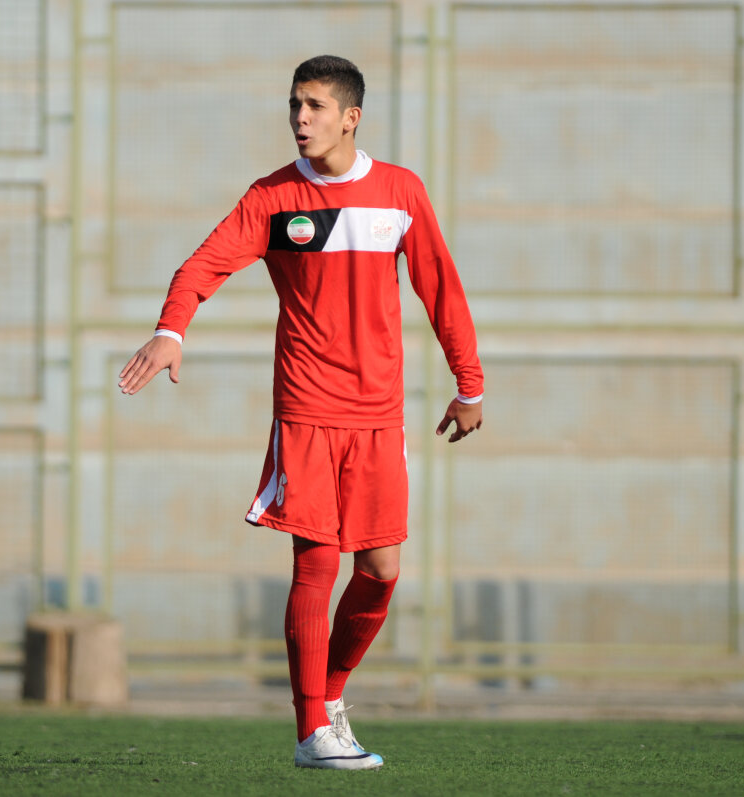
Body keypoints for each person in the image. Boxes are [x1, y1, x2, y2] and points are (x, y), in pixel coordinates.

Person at [118, 54, 483, 770]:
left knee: (381, 570)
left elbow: (441, 287)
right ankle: (312, 729)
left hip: (378, 414)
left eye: (314, 106)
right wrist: (170, 330)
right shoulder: (272, 196)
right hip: (307, 407)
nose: (300, 118)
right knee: (315, 562)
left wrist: (469, 385)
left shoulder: (400, 191)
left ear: (351, 117)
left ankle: (331, 695)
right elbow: (202, 265)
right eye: (294, 104)